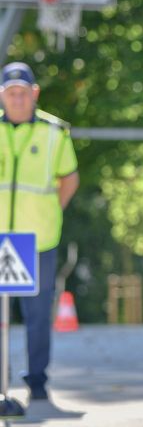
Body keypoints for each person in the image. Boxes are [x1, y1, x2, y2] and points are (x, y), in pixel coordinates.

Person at [0, 61, 79, 404]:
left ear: (35, 94)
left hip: (37, 240)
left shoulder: (53, 133)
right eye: (10, 93)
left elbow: (69, 179)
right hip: (2, 238)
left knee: (36, 317)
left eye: (23, 93)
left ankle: (36, 382)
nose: (17, 100)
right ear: (2, 96)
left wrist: (49, 212)